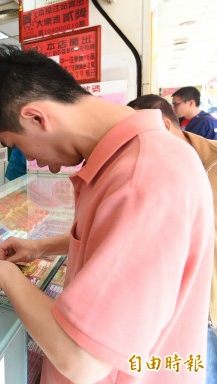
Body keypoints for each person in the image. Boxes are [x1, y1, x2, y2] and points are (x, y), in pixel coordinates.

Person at [0, 45, 213, 383]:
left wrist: (2, 275)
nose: (44, 165)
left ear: (36, 117)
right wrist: (38, 247)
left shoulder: (142, 181)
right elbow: (110, 242)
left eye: (22, 147)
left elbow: (83, 361)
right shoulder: (135, 158)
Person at [128, 93, 217, 383]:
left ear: (164, 127)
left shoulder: (211, 165)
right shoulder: (154, 166)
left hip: (207, 314)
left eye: (133, 137)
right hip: (170, 309)